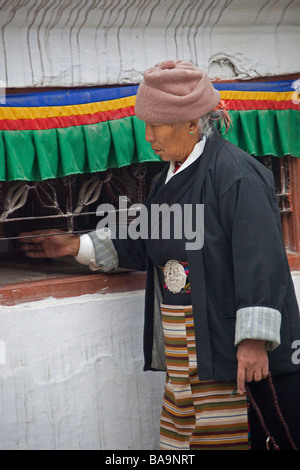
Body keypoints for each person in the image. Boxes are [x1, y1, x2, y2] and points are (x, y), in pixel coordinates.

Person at [20, 60, 300, 450]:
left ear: (190, 123)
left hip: (223, 345)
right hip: (183, 348)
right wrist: (75, 245)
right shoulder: (166, 178)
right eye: (146, 123)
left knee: (224, 438)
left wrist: (253, 343)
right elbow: (145, 239)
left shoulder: (234, 174)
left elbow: (261, 261)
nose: (148, 135)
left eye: (156, 125)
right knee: (183, 440)